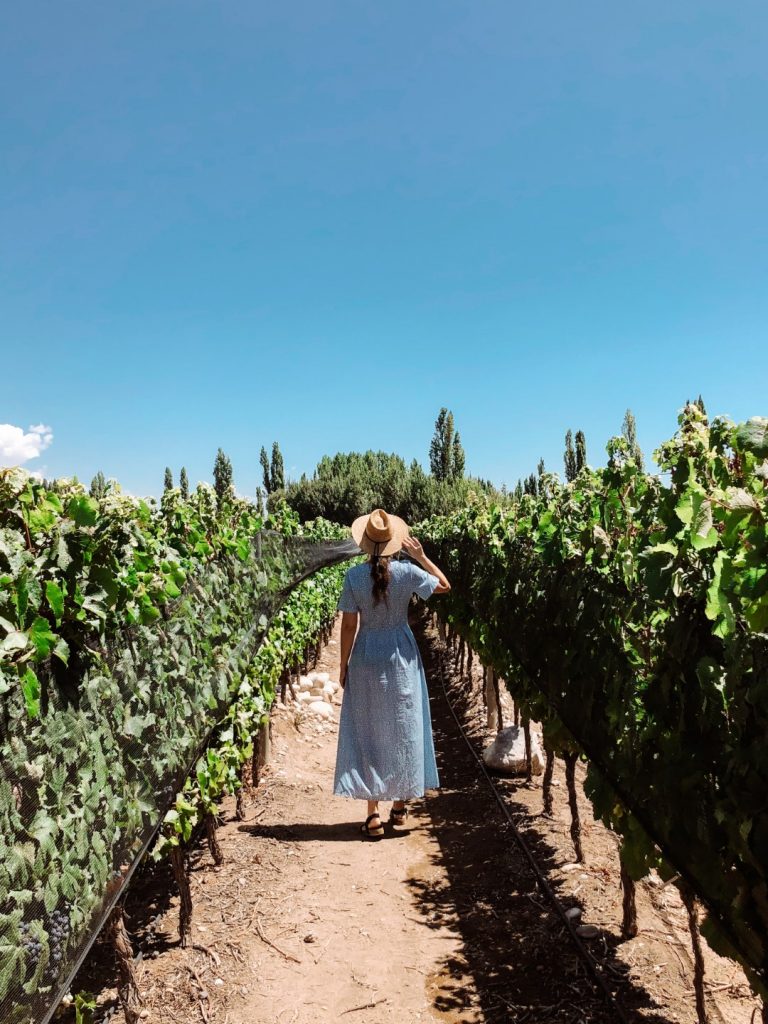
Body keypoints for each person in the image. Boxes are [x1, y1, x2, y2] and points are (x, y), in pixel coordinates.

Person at [333, 508, 451, 838]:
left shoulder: (354, 577)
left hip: (367, 654)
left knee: (368, 729)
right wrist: (422, 556)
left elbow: (348, 625)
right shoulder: (407, 572)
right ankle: (399, 805)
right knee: (403, 726)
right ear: (393, 543)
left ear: (365, 544)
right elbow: (444, 586)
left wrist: (343, 665)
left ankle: (372, 816)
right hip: (401, 655)